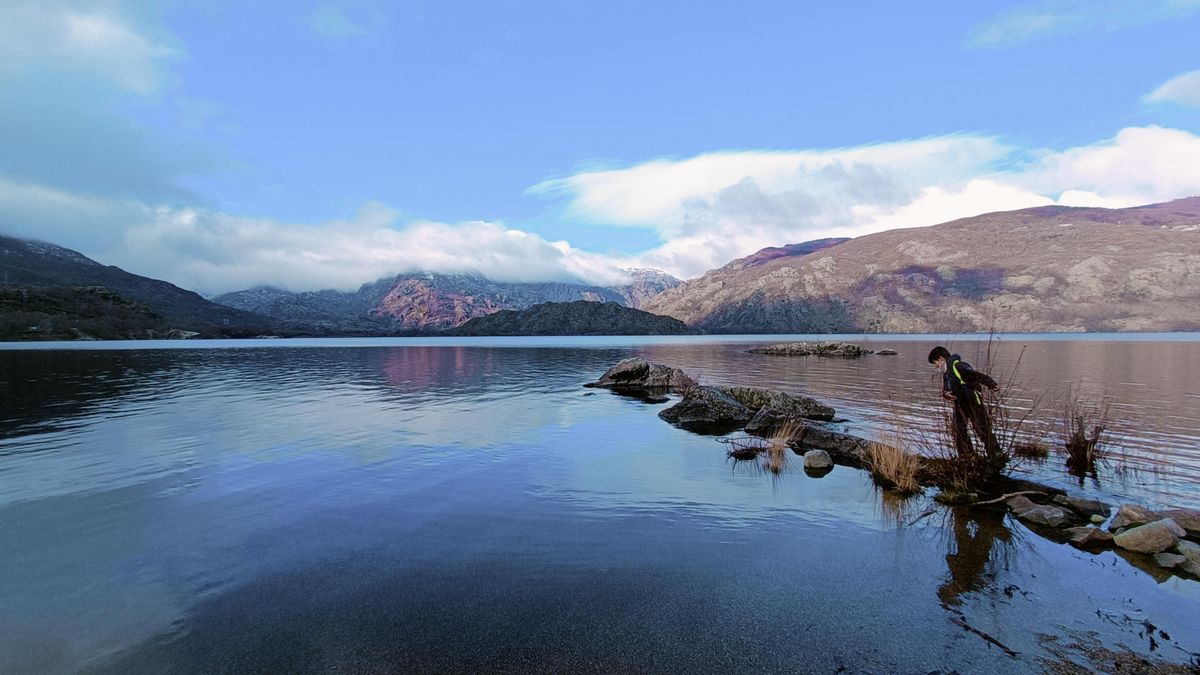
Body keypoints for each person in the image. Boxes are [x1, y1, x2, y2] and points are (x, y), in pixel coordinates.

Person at [928, 346, 999, 458]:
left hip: (973, 403)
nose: (936, 366)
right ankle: (967, 456)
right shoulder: (947, 373)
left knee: (983, 431)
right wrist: (945, 394)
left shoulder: (959, 366)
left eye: (935, 362)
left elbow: (976, 375)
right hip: (960, 405)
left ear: (941, 358)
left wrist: (991, 384)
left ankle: (996, 455)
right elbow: (946, 388)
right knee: (958, 431)